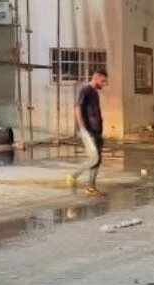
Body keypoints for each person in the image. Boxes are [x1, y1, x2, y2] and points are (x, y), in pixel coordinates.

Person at [62, 68, 108, 196]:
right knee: (94, 158)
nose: (104, 84)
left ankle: (90, 187)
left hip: (96, 131)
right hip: (88, 131)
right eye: (103, 81)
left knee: (97, 160)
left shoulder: (95, 93)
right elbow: (77, 108)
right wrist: (83, 128)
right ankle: (72, 176)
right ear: (96, 78)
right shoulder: (85, 90)